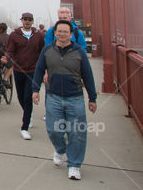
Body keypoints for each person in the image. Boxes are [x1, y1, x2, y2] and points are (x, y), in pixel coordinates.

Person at [32, 19, 97, 180]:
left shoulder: (79, 52)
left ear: (70, 35)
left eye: (65, 32)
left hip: (75, 97)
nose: (62, 34)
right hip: (53, 96)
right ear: (54, 33)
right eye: (59, 31)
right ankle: (60, 149)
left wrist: (92, 98)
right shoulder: (47, 50)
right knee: (53, 130)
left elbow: (88, 75)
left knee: (77, 133)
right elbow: (39, 69)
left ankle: (74, 165)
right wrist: (35, 90)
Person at [4, 12, 43, 140]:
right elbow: (10, 49)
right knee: (20, 97)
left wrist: (44, 68)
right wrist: (6, 57)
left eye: (29, 19)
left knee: (27, 97)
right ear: (21, 20)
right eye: (25, 19)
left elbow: (42, 52)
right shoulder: (14, 35)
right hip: (18, 70)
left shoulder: (38, 36)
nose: (27, 21)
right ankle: (28, 114)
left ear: (32, 21)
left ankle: (24, 128)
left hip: (32, 71)